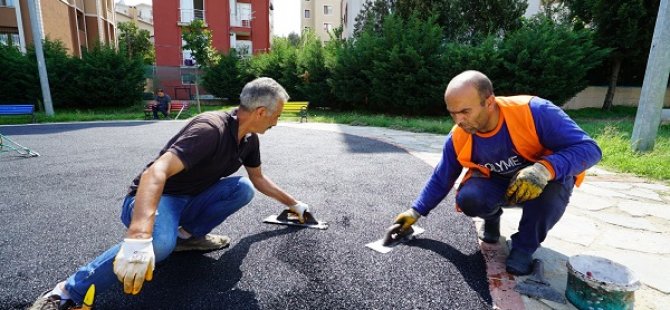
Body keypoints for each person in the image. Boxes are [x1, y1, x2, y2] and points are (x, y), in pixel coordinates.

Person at [30, 77, 312, 309]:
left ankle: (186, 238)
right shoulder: (209, 129)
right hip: (153, 198)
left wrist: (295, 204)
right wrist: (139, 234)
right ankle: (66, 293)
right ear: (261, 112)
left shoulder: (248, 140)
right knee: (158, 247)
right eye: (276, 115)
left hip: (189, 201)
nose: (276, 122)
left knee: (242, 188)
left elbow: (259, 179)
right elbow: (155, 173)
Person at [392, 70, 602, 275]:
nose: (458, 121)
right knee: (470, 198)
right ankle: (492, 219)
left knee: (552, 192)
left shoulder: (534, 112)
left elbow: (590, 149)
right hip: (498, 184)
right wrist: (415, 211)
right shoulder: (459, 136)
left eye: (465, 111)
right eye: (452, 113)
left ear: (490, 102)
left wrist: (544, 169)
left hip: (544, 183)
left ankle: (524, 248)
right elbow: (442, 177)